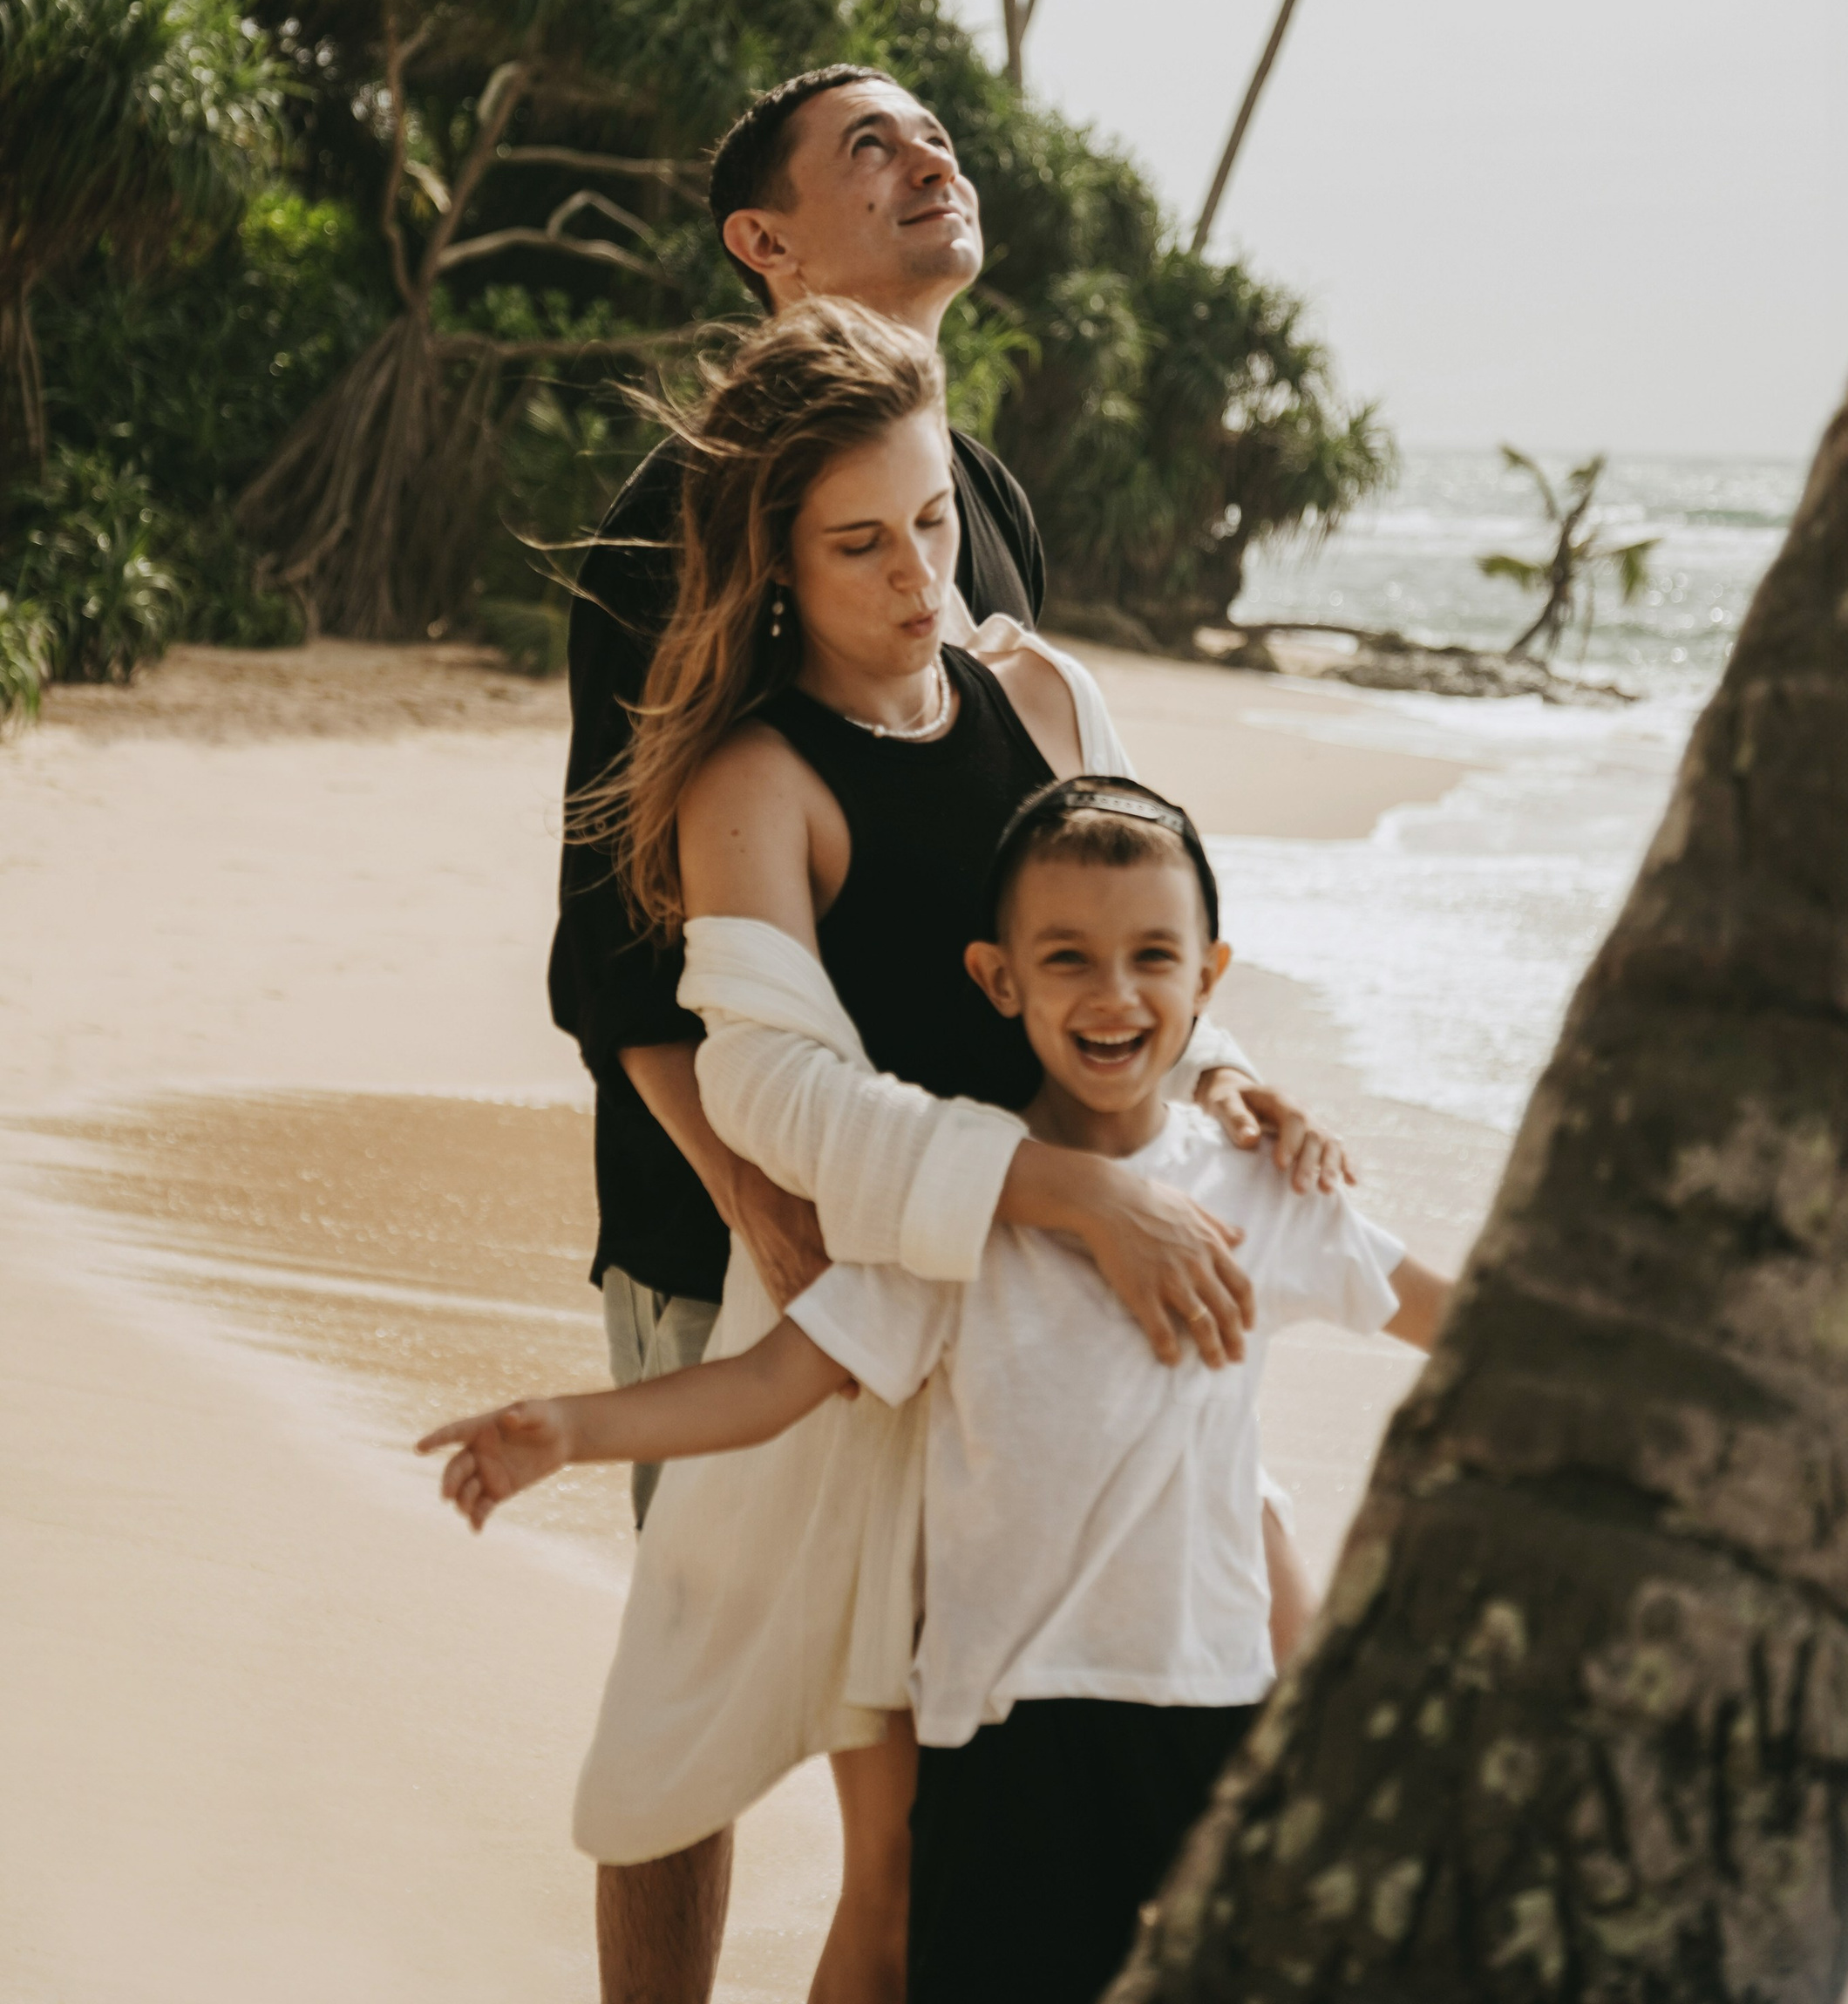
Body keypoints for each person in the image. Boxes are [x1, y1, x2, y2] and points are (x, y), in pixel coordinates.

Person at [556, 268, 1347, 2003]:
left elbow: (1137, 944)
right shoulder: (753, 781)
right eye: (862, 546)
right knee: (909, 1885)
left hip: (1089, 1348)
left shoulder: (1040, 699)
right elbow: (772, 1089)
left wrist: (1223, 1076)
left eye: (932, 523)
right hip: (889, 1363)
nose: (920, 579)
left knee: (1233, 1781)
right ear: (774, 560)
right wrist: (1059, 1188)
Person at [427, 778, 1451, 2004]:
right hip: (1000, 1728)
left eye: (1152, 957)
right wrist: (569, 1430)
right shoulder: (963, 1205)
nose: (1114, 993)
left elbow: (1463, 1326)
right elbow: (772, 1382)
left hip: (1205, 1696)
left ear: (1208, 979)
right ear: (998, 979)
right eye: (1067, 958)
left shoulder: (1264, 1192)